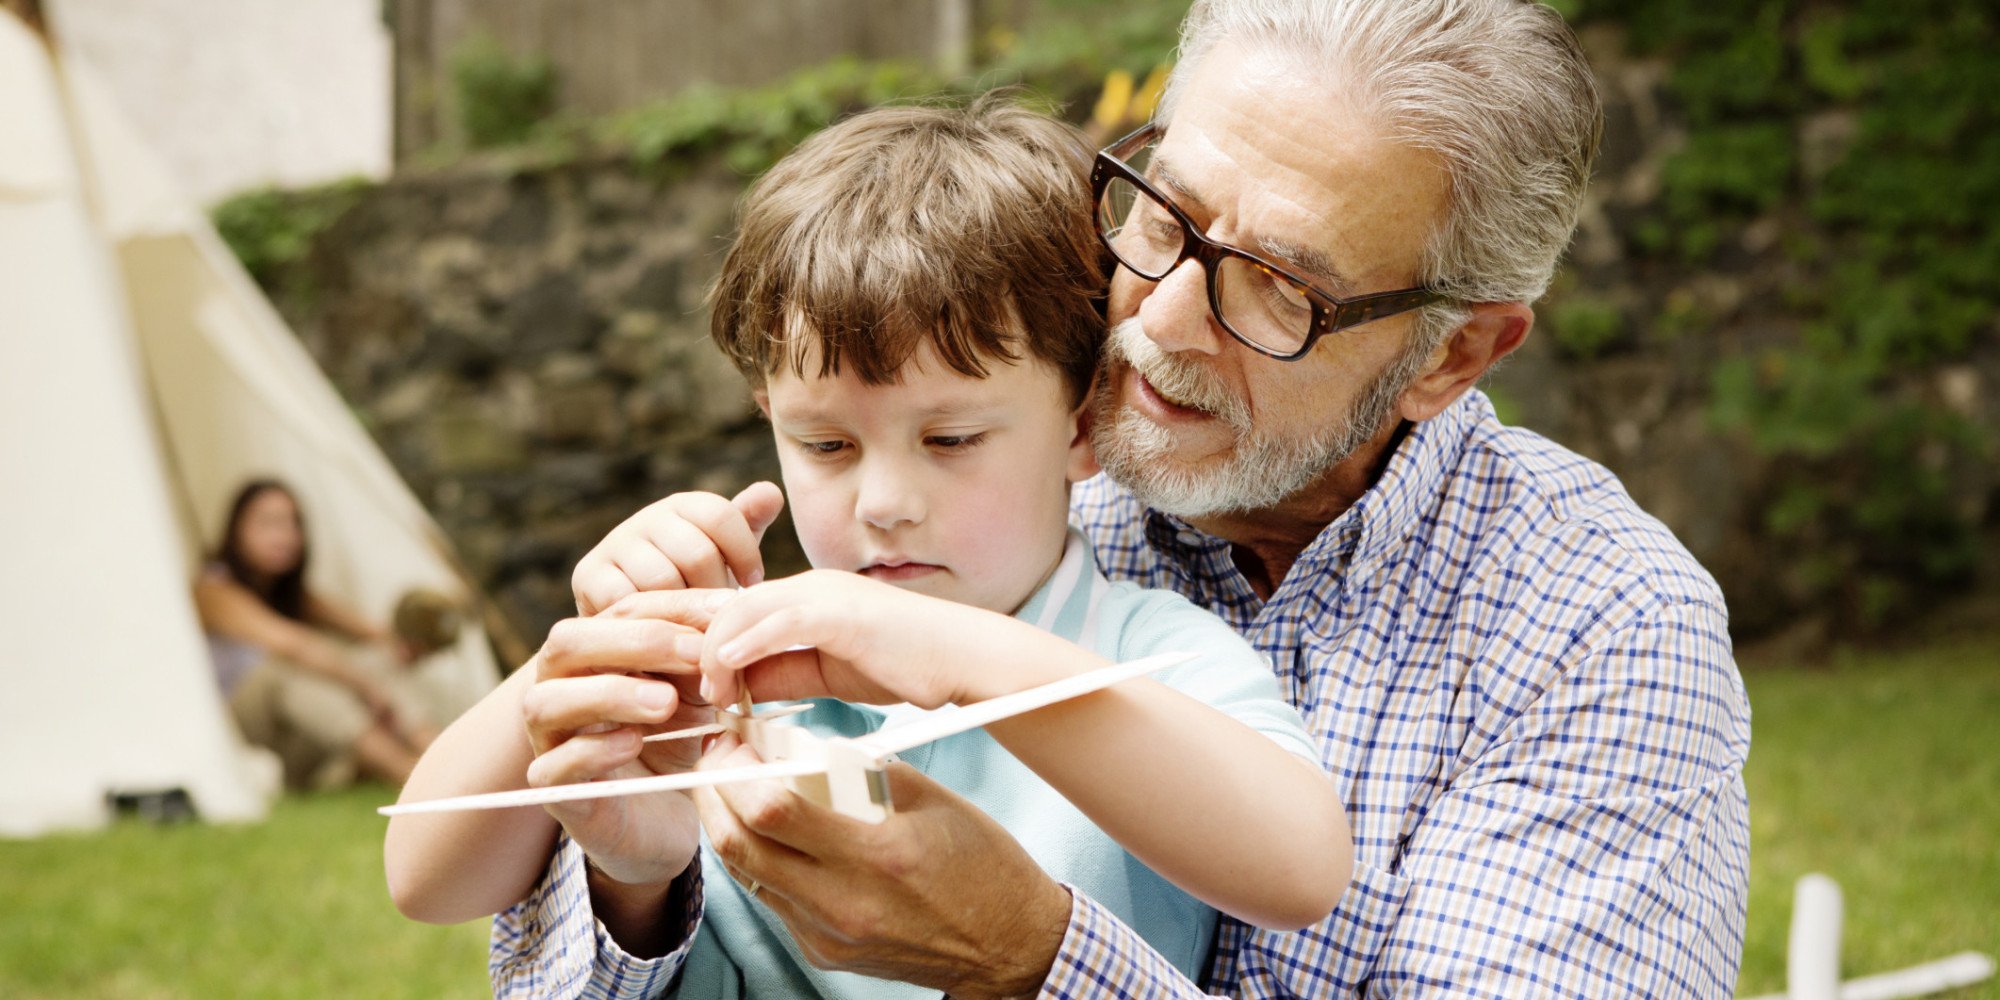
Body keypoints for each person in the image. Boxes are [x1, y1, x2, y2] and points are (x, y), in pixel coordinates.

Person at [488, 1, 1754, 995]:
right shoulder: (980, 500)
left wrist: (1030, 962)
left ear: (1452, 353)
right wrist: (632, 876)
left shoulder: (1598, 628)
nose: (1158, 319)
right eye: (1166, 214)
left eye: (1276, 287)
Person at [383, 99, 1355, 995]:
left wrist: (955, 658)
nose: (883, 503)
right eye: (825, 445)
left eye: (950, 441)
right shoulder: (736, 655)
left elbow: (1299, 867)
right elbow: (424, 875)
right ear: (767, 416)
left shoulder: (1149, 654)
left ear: (1081, 426)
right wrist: (594, 670)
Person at [194, 479, 438, 787]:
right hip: (243, 735)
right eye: (269, 523)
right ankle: (413, 776)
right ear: (236, 530)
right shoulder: (213, 590)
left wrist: (403, 645)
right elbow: (294, 645)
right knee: (287, 671)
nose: (284, 536)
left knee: (377, 660)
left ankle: (442, 755)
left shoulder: (291, 595)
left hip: (297, 740)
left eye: (293, 524)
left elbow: (372, 633)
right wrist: (367, 687)